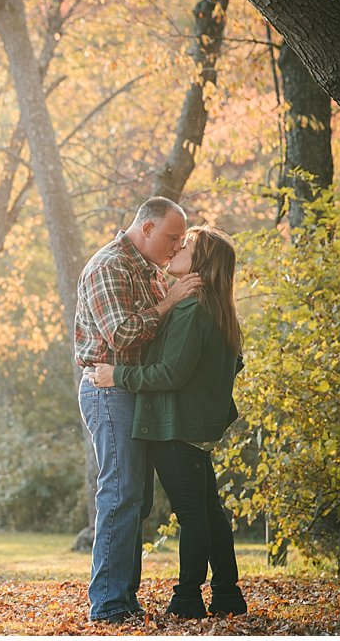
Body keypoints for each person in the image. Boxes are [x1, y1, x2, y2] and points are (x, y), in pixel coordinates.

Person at [91, 225, 247, 619]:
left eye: (187, 245)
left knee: (194, 515)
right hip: (190, 428)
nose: (178, 247)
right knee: (209, 511)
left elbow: (170, 374)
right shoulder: (210, 305)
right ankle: (227, 594)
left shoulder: (193, 309)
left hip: (175, 429)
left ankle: (188, 599)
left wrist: (118, 376)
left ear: (201, 262)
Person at [74, 197, 203, 623]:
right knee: (121, 492)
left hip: (135, 390)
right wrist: (170, 302)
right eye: (171, 237)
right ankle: (108, 604)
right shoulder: (110, 266)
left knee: (138, 498)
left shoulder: (147, 269)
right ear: (146, 228)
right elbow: (123, 334)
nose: (175, 245)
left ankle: (124, 599)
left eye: (181, 239)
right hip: (110, 392)